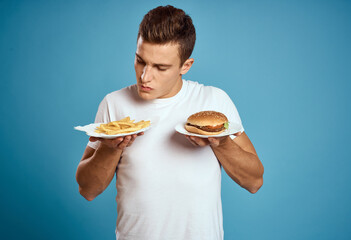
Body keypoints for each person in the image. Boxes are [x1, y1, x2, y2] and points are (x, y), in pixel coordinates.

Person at [76, 5, 264, 240]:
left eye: (160, 68)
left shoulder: (213, 101)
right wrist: (109, 148)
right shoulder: (114, 104)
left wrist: (222, 144)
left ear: (186, 66)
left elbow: (255, 181)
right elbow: (87, 189)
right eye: (140, 61)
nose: (145, 76)